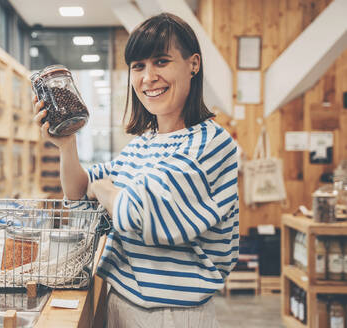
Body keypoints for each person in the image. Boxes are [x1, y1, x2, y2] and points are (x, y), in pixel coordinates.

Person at [33, 12, 239, 328]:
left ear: (193, 64)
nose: (148, 77)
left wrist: (103, 189)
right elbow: (79, 194)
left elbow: (135, 212)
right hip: (121, 302)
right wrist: (67, 144)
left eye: (161, 61)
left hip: (171, 316)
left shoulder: (211, 143)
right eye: (138, 66)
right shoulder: (143, 144)